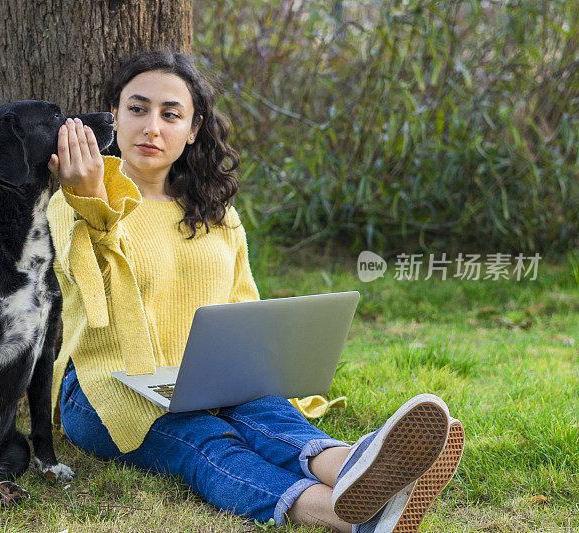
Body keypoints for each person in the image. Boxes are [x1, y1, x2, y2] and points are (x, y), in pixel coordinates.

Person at [44, 50, 463, 532]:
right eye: (136, 109)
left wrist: (267, 377)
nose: (151, 128)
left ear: (194, 128)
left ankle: (362, 465)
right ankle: (353, 518)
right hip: (107, 386)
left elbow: (244, 307)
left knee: (274, 423)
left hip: (210, 376)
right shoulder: (73, 201)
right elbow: (94, 291)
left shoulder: (215, 211)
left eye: (170, 114)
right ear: (113, 117)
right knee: (207, 441)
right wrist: (92, 197)